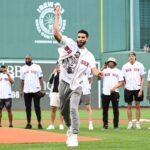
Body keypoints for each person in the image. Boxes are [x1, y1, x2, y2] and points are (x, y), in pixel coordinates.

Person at [53, 4, 102, 147]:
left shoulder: (90, 56)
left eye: (83, 37)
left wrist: (98, 73)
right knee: (63, 110)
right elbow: (56, 33)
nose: (80, 39)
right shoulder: (70, 45)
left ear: (87, 39)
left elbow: (93, 70)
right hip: (64, 82)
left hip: (78, 86)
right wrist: (57, 15)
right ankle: (69, 128)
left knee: (74, 108)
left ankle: (74, 135)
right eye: (79, 37)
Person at [20, 55, 45, 129]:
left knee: (37, 107)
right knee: (28, 108)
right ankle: (28, 123)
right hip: (27, 90)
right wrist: (21, 90)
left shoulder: (37, 67)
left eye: (28, 58)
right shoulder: (23, 68)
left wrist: (42, 89)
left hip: (36, 90)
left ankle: (39, 123)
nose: (27, 60)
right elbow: (22, 80)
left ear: (31, 59)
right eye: (25, 59)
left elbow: (41, 78)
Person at [122, 52, 145, 129]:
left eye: (132, 56)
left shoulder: (140, 65)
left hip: (137, 88)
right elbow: (123, 79)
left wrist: (141, 90)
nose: (131, 57)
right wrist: (124, 87)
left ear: (135, 57)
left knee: (138, 106)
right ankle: (130, 123)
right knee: (129, 106)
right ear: (128, 57)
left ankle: (137, 123)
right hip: (128, 88)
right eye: (130, 56)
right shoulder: (125, 66)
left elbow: (142, 78)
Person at [101, 57, 123, 129]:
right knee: (105, 110)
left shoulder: (118, 71)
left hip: (115, 92)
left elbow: (121, 82)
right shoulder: (104, 71)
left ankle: (116, 125)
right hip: (105, 92)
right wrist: (101, 69)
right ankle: (105, 125)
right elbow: (98, 77)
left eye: (112, 62)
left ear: (114, 63)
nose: (110, 63)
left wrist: (115, 87)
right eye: (109, 62)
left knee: (115, 110)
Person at [47, 63, 64, 130]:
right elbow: (50, 82)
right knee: (53, 109)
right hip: (54, 93)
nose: (58, 67)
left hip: (62, 93)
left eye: (59, 66)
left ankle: (61, 124)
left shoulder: (64, 74)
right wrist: (54, 73)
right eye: (57, 66)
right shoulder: (54, 73)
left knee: (61, 109)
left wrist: (61, 72)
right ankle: (52, 124)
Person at [0, 63, 14, 127]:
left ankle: (10, 123)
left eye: (4, 67)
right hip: (0, 95)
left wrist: (8, 74)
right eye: (2, 67)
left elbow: (12, 82)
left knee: (9, 110)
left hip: (7, 95)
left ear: (6, 68)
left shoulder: (10, 74)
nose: (3, 68)